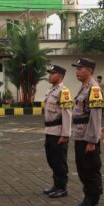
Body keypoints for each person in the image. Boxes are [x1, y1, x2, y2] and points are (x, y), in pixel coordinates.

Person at [69, 58, 104, 206]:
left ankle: (93, 204)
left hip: (88, 138)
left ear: (90, 70)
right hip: (79, 135)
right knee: (82, 169)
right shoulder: (83, 88)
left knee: (90, 170)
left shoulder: (94, 89)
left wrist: (92, 140)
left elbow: (95, 117)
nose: (77, 71)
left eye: (80, 68)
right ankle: (87, 199)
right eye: (76, 68)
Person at [42, 65, 72, 198]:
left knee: (59, 160)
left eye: (52, 73)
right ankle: (56, 185)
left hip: (58, 131)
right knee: (52, 159)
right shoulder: (51, 90)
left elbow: (67, 114)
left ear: (59, 75)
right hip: (49, 130)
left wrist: (65, 134)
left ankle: (62, 187)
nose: (50, 75)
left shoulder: (63, 91)